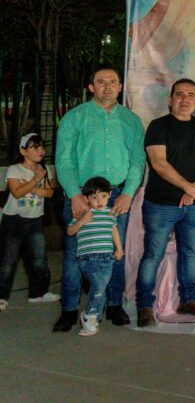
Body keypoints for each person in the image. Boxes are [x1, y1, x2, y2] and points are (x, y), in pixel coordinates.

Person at [53, 66, 145, 332]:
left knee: (115, 251)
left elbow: (137, 160)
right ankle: (69, 309)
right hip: (82, 195)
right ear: (91, 87)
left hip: (116, 196)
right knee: (75, 253)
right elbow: (64, 160)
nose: (107, 86)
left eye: (112, 81)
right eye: (101, 82)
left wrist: (128, 193)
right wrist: (74, 195)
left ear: (120, 87)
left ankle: (114, 304)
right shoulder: (75, 117)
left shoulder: (131, 120)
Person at [136, 78, 195, 327]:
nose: (185, 99)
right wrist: (188, 187)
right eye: (179, 94)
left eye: (190, 95)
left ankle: (188, 299)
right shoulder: (158, 126)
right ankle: (144, 306)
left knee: (188, 253)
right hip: (161, 205)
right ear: (170, 99)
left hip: (192, 205)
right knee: (153, 255)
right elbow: (159, 163)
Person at [0, 133, 58, 311]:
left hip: (35, 220)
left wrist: (31, 187)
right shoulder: (14, 170)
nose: (41, 150)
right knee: (8, 259)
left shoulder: (45, 169)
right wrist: (36, 180)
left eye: (42, 147)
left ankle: (38, 293)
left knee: (39, 258)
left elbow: (50, 192)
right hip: (13, 220)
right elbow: (17, 192)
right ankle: (1, 296)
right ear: (23, 151)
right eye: (35, 147)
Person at [67, 177, 123, 336]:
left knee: (101, 287)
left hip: (107, 258)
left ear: (110, 195)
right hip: (88, 258)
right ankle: (89, 314)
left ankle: (94, 319)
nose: (99, 201)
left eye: (103, 196)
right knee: (98, 285)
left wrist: (119, 249)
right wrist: (81, 222)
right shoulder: (83, 213)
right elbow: (70, 231)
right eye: (94, 197)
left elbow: (113, 230)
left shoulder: (110, 213)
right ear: (86, 198)